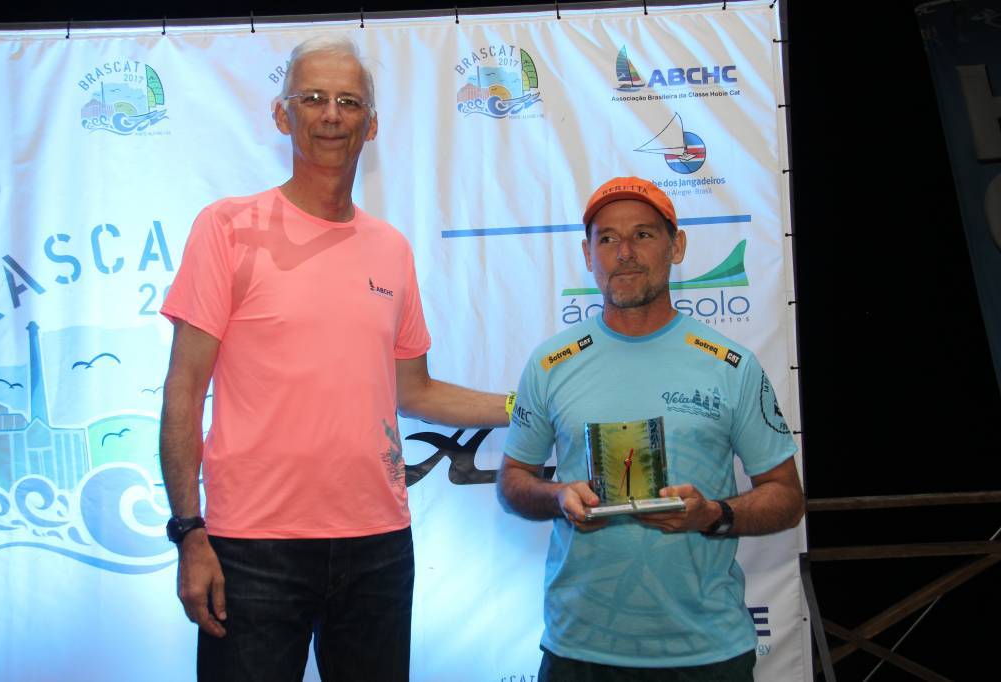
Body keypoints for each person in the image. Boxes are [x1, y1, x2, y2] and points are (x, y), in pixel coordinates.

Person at [158, 35, 508, 682]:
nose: (331, 115)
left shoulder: (391, 249)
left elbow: (416, 392)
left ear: (370, 125)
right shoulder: (227, 227)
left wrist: (529, 405)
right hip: (251, 549)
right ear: (281, 114)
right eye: (313, 98)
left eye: (349, 102)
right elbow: (182, 389)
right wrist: (188, 531)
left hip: (377, 547)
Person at [497, 177, 804, 681]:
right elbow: (512, 482)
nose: (624, 253)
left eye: (642, 234)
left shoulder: (731, 366)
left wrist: (713, 514)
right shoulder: (551, 363)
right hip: (580, 650)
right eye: (607, 238)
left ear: (675, 246)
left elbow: (787, 499)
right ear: (588, 254)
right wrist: (558, 497)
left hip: (706, 654)